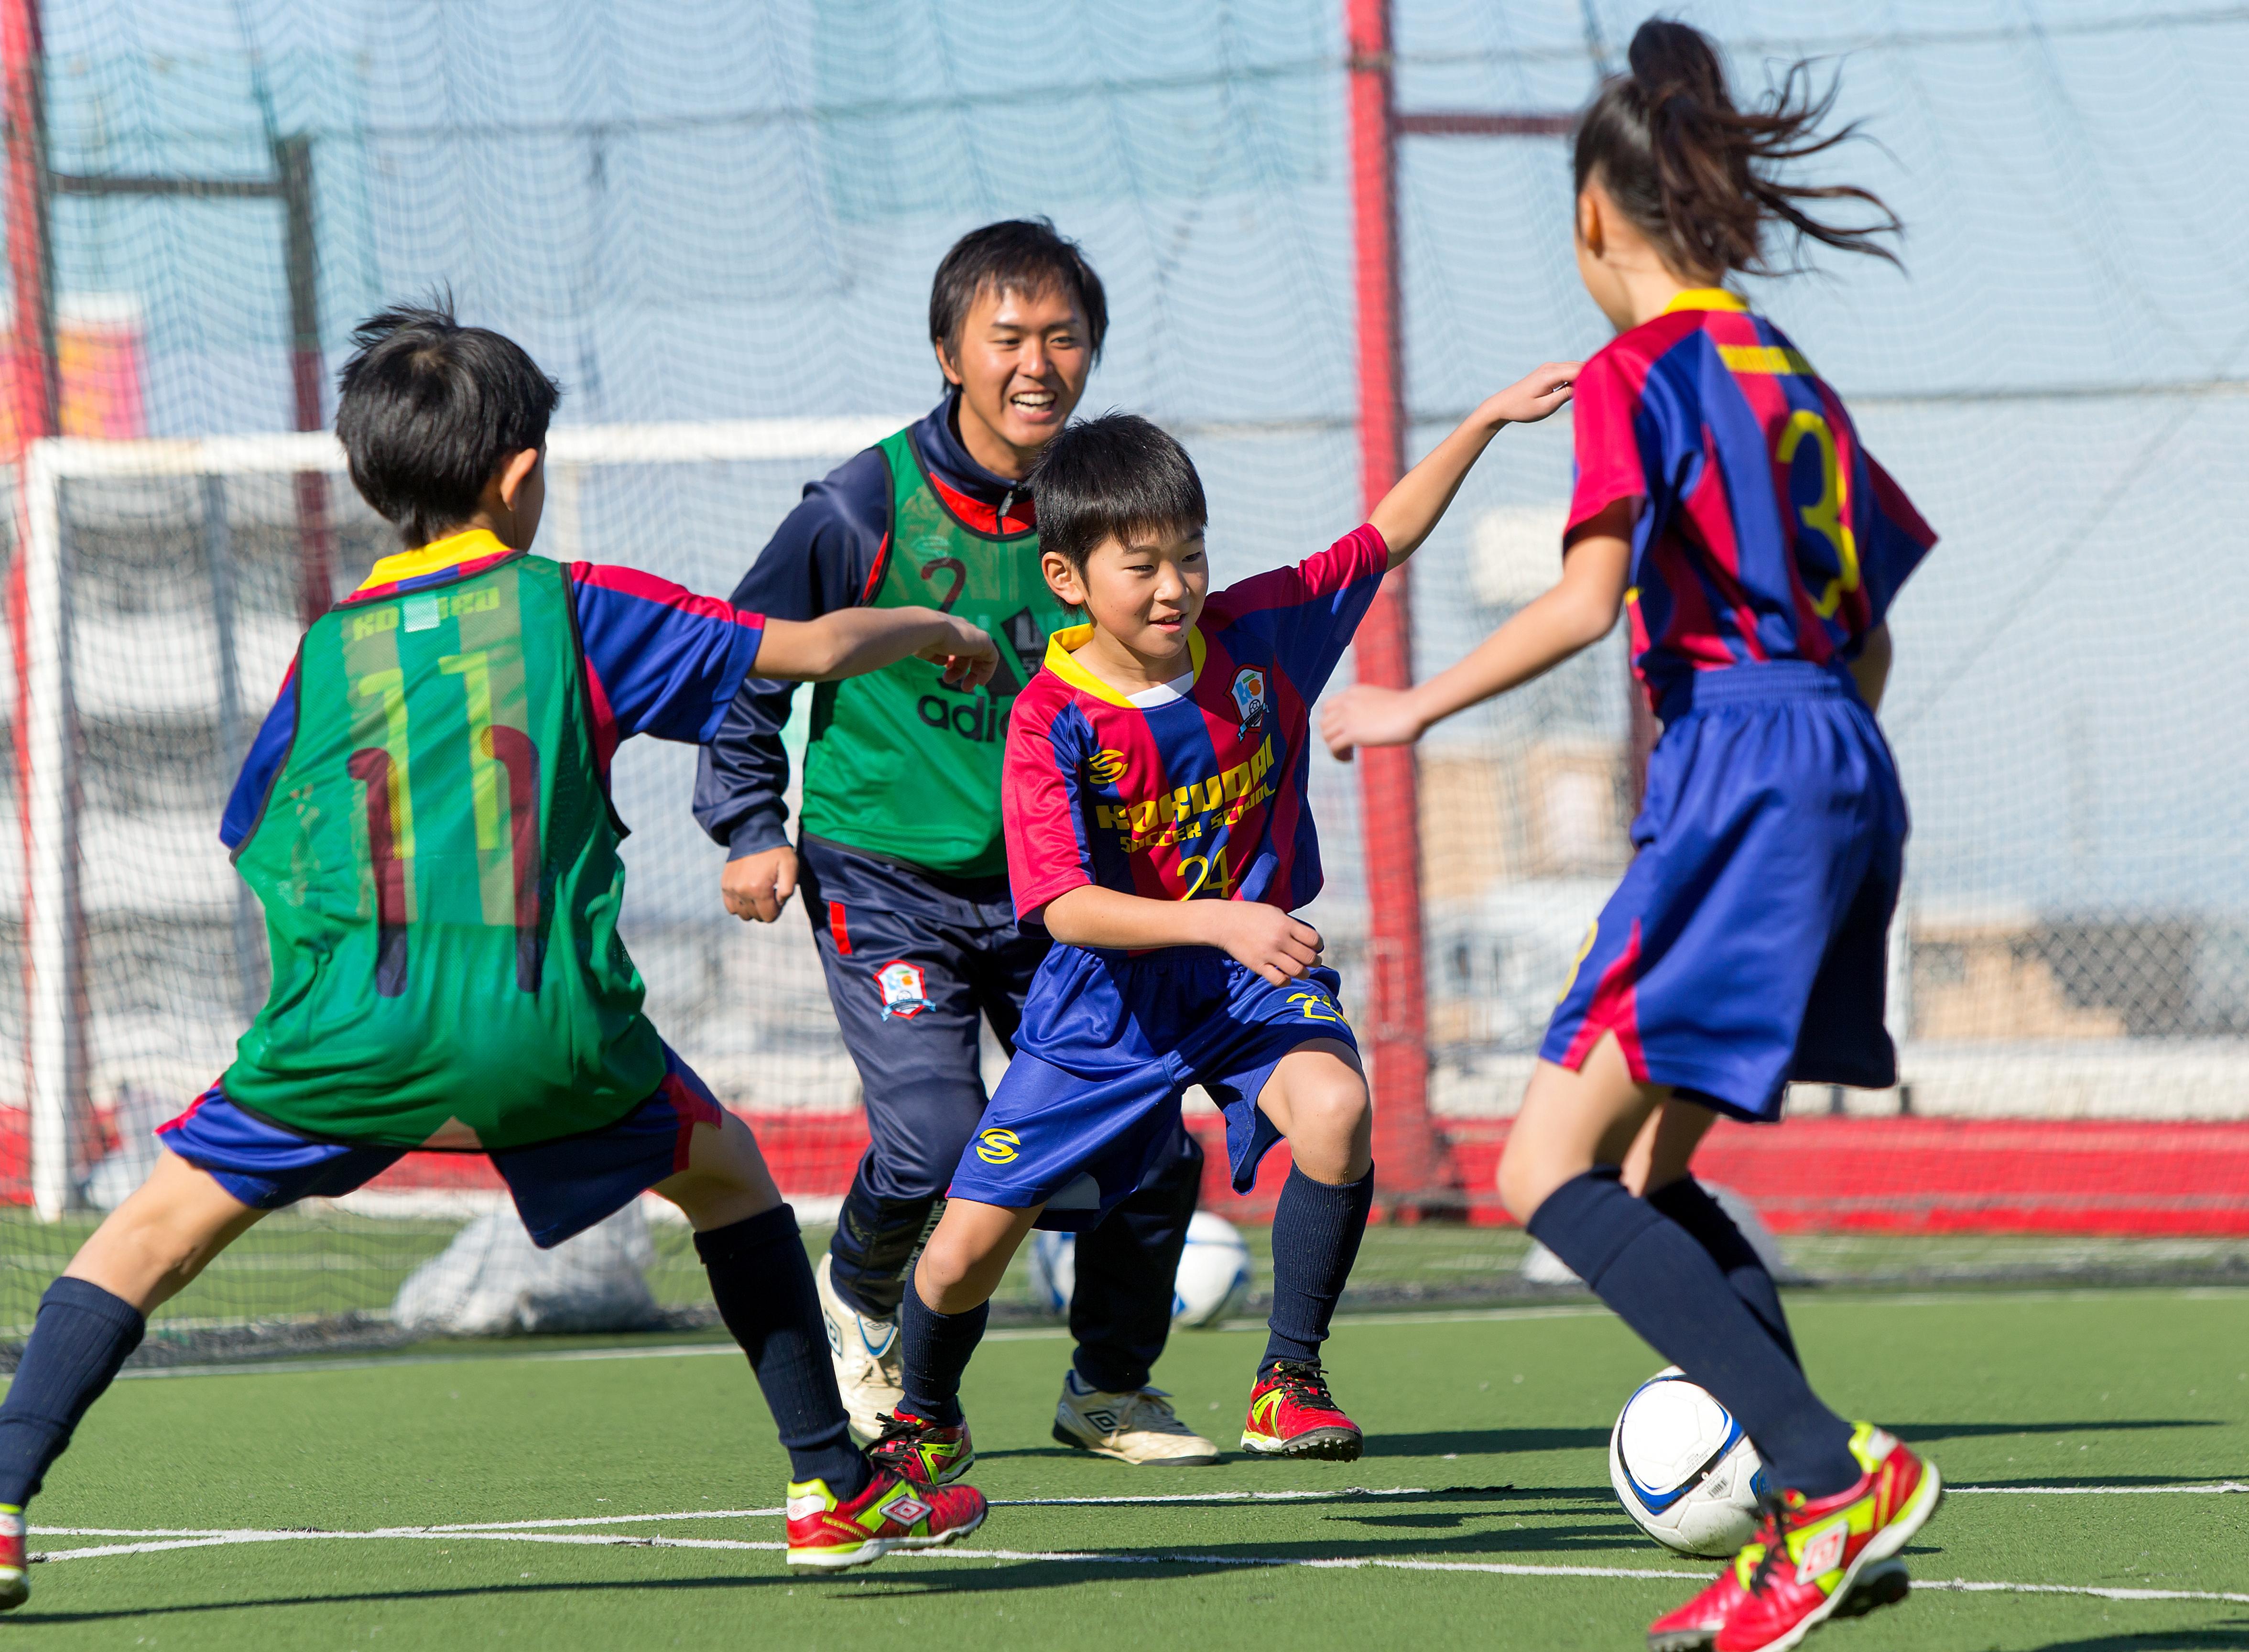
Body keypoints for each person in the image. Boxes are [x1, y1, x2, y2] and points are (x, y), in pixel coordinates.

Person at [0, 303, 1002, 1622]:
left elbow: (256, 833)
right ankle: (828, 1488)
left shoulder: (329, 647)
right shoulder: (573, 607)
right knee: (727, 1172)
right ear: (521, 475)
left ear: (372, 477)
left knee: (146, 1237)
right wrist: (932, 628)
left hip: (345, 1027)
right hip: (547, 1030)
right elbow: (799, 651)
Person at [1321, 22, 1942, 1652]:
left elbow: (1589, 597)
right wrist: (1816, 743)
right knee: (1652, 1166)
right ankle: (1810, 1519)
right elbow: (1867, 629)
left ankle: (1825, 1471)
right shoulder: (1786, 373)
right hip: (1839, 754)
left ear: (1598, 220)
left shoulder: (1639, 371)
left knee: (1543, 1163)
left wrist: (1408, 705)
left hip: (1740, 762)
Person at [871, 368, 1578, 1483]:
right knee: (959, 1259)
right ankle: (923, 1417)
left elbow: (1384, 536)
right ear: (1068, 578)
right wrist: (1216, 921)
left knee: (1339, 1109)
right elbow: (1061, 907)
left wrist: (1483, 419)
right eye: (1141, 566)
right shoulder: (1048, 718)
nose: (1174, 587)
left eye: (1188, 555)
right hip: (1104, 1007)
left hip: (1243, 979)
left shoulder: (1260, 635)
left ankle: (1287, 1379)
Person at [693, 219, 1214, 1467]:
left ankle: (1109, 1387)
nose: (1039, 364)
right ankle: (862, 1306)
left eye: (1066, 337)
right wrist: (752, 826)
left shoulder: (1108, 509)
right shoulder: (861, 505)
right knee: (931, 1135)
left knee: (1148, 1143)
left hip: (1056, 895)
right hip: (886, 879)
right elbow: (738, 671)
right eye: (1009, 338)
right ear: (948, 354)